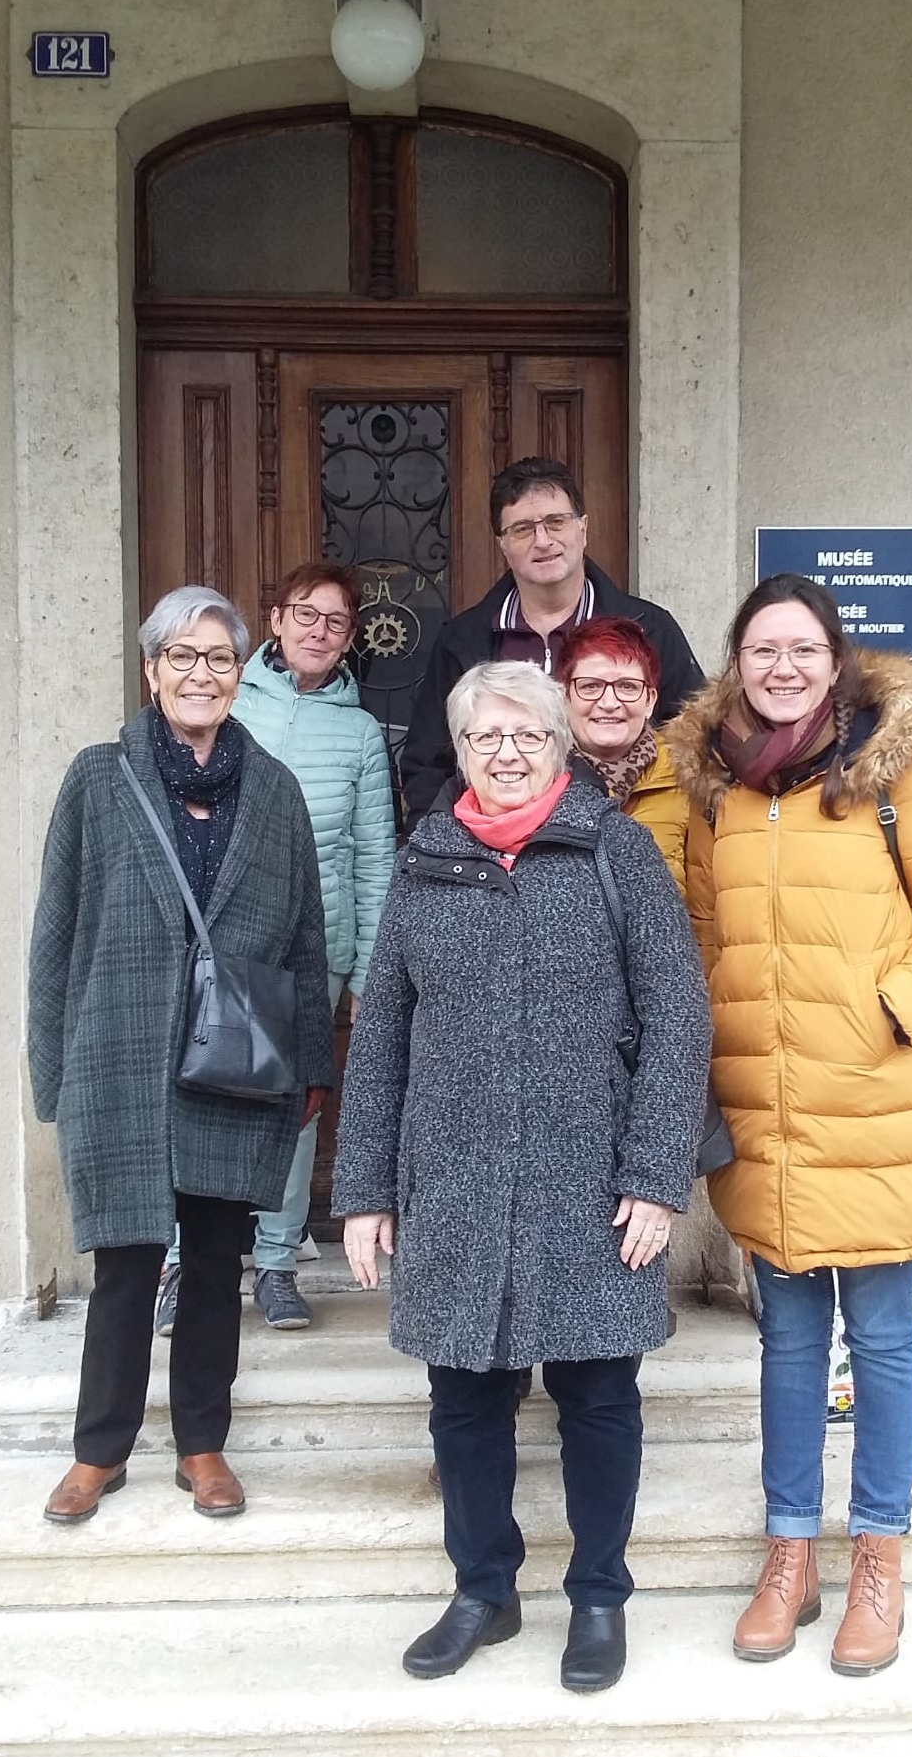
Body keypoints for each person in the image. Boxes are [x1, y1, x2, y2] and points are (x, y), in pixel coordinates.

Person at [333, 661, 711, 1693]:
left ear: (559, 744)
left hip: (591, 1181)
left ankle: (597, 1595)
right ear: (457, 752)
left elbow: (679, 1015)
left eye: (525, 735)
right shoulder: (427, 860)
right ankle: (482, 1589)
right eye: (483, 737)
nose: (505, 752)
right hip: (453, 1179)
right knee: (464, 1398)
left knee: (597, 1395)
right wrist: (365, 1187)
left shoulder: (615, 850)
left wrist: (656, 1173)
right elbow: (382, 1041)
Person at [665, 573, 912, 1677]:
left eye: (802, 648)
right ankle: (789, 1551)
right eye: (762, 649)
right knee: (791, 1340)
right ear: (735, 663)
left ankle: (878, 1558)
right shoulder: (712, 784)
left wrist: (894, 1006)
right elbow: (706, 934)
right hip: (767, 1101)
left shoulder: (891, 768)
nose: (782, 667)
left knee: (886, 1339)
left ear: (835, 657)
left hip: (874, 1095)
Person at [29, 587, 335, 1525]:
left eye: (218, 658)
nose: (201, 673)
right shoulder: (97, 777)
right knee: (123, 1261)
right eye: (182, 656)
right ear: (151, 670)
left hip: (234, 1062)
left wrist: (310, 1067)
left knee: (213, 1257)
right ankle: (100, 1450)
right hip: (116, 1051)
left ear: (241, 673)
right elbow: (56, 930)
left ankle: (202, 1443)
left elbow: (305, 942)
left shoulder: (275, 789)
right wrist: (54, 1071)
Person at [155, 563, 395, 1335]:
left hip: (310, 948)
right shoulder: (226, 701)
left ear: (352, 637)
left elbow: (372, 853)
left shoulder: (359, 733)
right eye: (305, 613)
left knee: (291, 1109)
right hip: (213, 938)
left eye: (336, 619)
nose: (319, 628)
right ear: (275, 620)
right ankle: (185, 1259)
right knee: (194, 1095)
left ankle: (280, 1261)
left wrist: (366, 967)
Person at [398, 456, 704, 825]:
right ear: (502, 544)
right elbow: (428, 763)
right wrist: (443, 845)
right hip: (492, 858)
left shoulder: (649, 628)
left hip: (621, 840)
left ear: (583, 529)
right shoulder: (463, 640)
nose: (543, 541)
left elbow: (696, 742)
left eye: (556, 522)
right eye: (523, 529)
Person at [557, 615, 687, 895]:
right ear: (565, 695)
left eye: (627, 687)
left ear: (650, 700)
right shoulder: (537, 781)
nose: (608, 703)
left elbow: (706, 906)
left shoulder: (688, 779)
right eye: (590, 686)